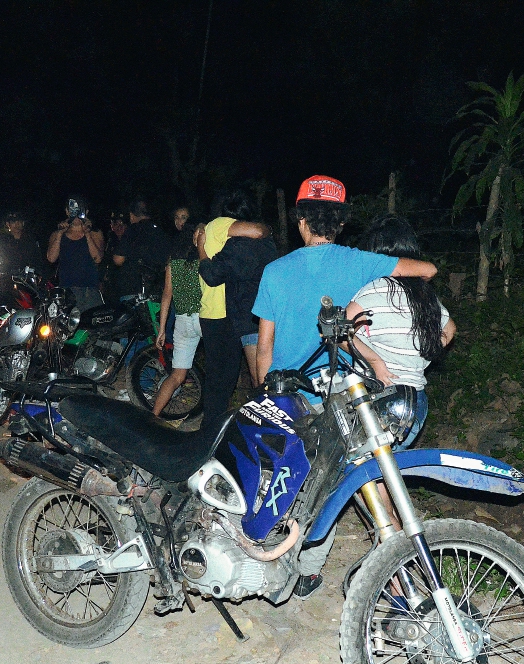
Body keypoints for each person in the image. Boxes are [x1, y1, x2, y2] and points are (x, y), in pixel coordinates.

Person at [252, 175, 437, 599]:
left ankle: (291, 563)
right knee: (354, 481)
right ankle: (393, 570)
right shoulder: (359, 262)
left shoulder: (275, 272)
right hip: (343, 395)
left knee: (297, 481)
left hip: (291, 394)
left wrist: (267, 395)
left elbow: (265, 347)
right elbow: (426, 270)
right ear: (339, 224)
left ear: (300, 221)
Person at [347, 214, 455, 449]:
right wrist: (424, 351)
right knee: (387, 470)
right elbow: (450, 328)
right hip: (415, 402)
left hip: (378, 398)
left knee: (367, 472)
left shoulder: (372, 291)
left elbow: (340, 333)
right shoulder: (425, 295)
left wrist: (375, 360)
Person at [196, 191, 271, 429]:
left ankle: (216, 427)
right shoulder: (221, 226)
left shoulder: (211, 231)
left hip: (217, 311)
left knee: (227, 377)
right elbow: (259, 231)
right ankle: (214, 429)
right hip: (227, 312)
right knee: (232, 377)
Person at [151, 223, 204, 417]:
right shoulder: (203, 259)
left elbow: (167, 295)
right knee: (218, 369)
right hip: (204, 317)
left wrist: (162, 328)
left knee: (176, 375)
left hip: (182, 321)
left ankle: (153, 416)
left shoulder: (174, 263)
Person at [47, 202, 105, 310]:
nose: (76, 215)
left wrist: (87, 233)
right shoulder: (57, 234)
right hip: (67, 292)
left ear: (86, 212)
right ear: (67, 212)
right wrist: (60, 234)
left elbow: (98, 258)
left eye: (80, 211)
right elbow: (51, 258)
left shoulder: (95, 233)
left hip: (90, 292)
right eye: (73, 210)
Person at [111, 199, 169, 299]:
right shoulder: (160, 231)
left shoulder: (132, 230)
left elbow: (118, 259)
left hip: (133, 290)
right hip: (158, 290)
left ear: (131, 215)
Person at [0, 210, 46, 281]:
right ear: (8, 224)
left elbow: (38, 260)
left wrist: (38, 273)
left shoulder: (30, 240)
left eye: (19, 221)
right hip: (8, 278)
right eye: (13, 222)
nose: (17, 224)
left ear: (23, 223)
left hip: (27, 278)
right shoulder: (2, 241)